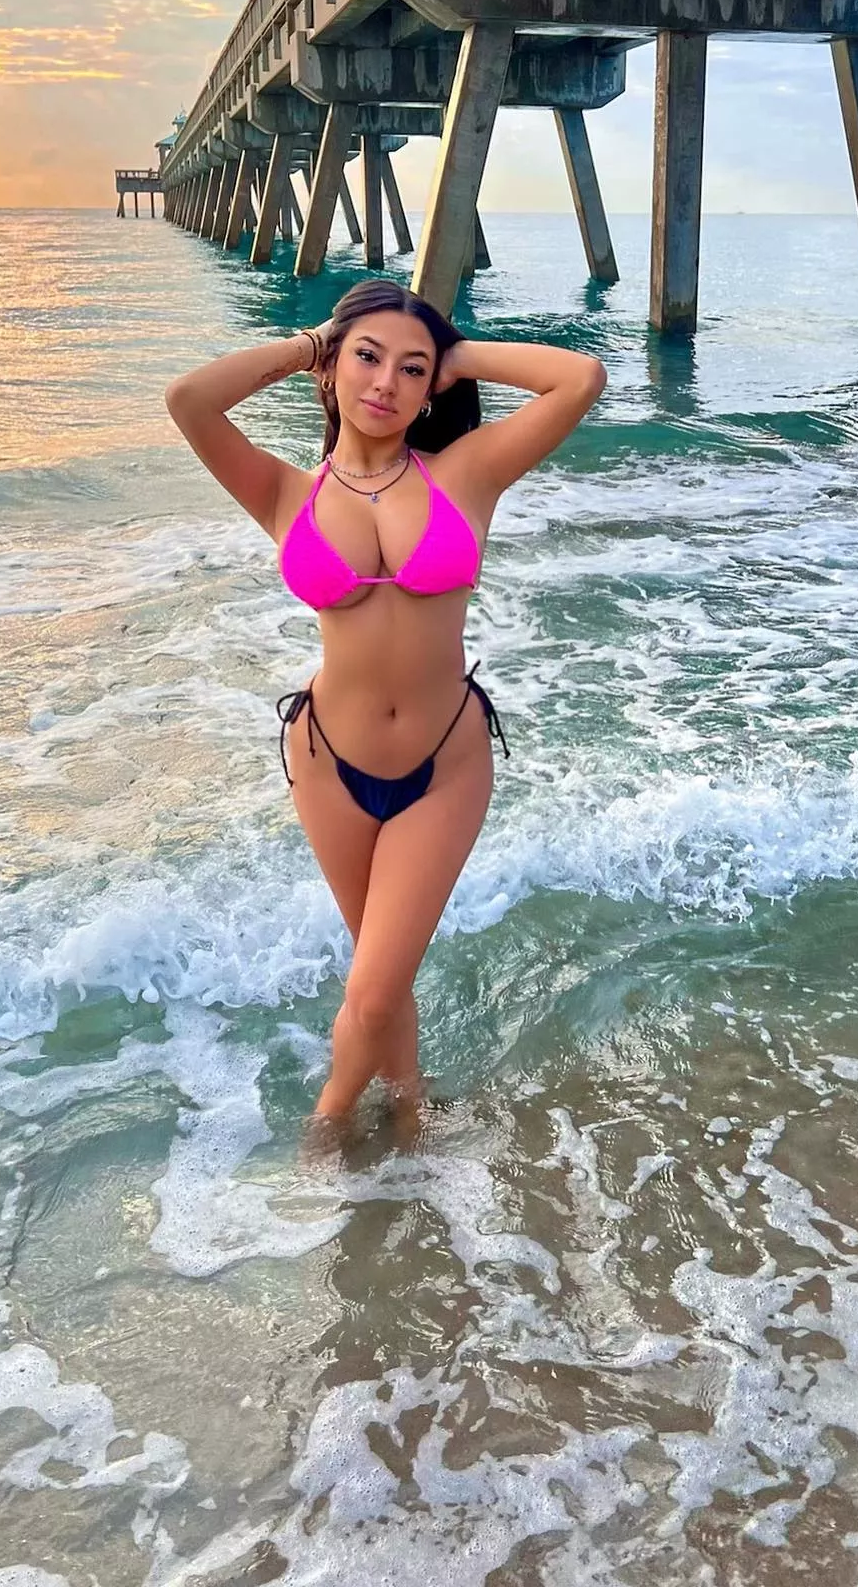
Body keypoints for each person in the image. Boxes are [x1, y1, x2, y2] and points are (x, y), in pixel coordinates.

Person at [165, 280, 605, 1126]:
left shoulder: (466, 474)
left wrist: (455, 352)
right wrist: (310, 344)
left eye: (411, 370)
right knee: (383, 973)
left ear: (431, 384)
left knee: (370, 986)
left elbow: (579, 377)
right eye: (367, 359)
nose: (386, 383)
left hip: (445, 761)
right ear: (334, 372)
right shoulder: (283, 494)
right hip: (329, 763)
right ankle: (408, 1111)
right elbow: (189, 399)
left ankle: (327, 1124)